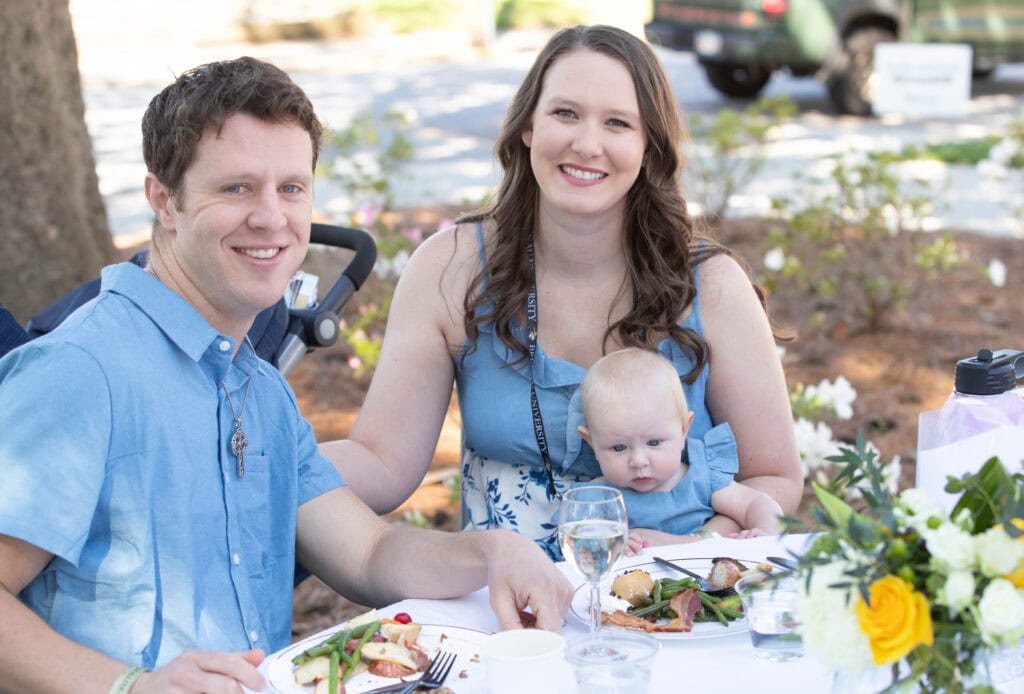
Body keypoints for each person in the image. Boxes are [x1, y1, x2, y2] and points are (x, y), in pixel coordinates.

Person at [0, 57, 571, 694]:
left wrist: (494, 551)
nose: (273, 218)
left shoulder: (258, 389)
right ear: (164, 200)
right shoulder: (81, 373)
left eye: (292, 189)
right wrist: (130, 686)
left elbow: (368, 553)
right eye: (237, 188)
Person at [322, 24, 803, 559]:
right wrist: (268, 461)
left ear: (649, 145)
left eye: (618, 123)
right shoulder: (452, 268)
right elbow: (382, 461)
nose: (586, 144)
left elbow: (774, 476)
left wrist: (687, 550)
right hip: (506, 611)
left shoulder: (709, 285)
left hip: (676, 599)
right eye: (565, 113)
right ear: (528, 125)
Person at [575, 348, 783, 555]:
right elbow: (580, 552)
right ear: (591, 442)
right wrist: (609, 545)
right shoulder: (598, 500)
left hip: (709, 582)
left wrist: (763, 533)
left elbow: (756, 503)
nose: (638, 461)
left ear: (683, 430)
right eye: (619, 448)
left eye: (654, 442)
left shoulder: (702, 477)